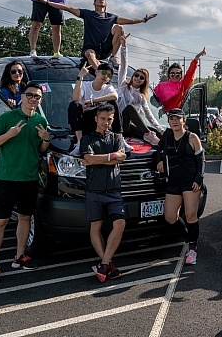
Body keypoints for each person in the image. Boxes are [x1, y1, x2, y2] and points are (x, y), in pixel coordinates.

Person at [0, 81, 50, 284]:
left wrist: (46, 139)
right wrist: (10, 134)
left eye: (37, 97)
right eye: (29, 95)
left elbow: (40, 150)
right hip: (7, 178)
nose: (33, 99)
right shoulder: (7, 118)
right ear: (22, 96)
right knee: (0, 222)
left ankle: (20, 256)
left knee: (25, 218)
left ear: (40, 100)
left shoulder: (40, 121)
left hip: (29, 179)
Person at [34, 0, 157, 70]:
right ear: (94, 3)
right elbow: (68, 8)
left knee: (119, 28)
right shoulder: (88, 14)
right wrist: (47, 2)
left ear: (106, 3)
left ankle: (114, 57)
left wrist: (144, 19)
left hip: (106, 49)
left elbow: (130, 20)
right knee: (90, 55)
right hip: (91, 49)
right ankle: (101, 73)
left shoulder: (111, 17)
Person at [78, 103, 127, 282]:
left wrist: (98, 160)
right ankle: (108, 264)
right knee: (96, 227)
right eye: (103, 119)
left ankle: (104, 264)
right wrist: (111, 157)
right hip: (94, 190)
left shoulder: (116, 138)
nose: (106, 122)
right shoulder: (87, 139)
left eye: (110, 119)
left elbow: (121, 157)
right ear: (96, 119)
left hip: (113, 190)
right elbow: (88, 158)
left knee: (120, 223)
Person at [157, 108, 205, 265]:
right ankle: (187, 234)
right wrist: (160, 160)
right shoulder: (167, 136)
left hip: (190, 181)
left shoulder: (192, 137)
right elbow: (159, 149)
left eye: (178, 118)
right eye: (172, 119)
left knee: (191, 215)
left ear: (184, 120)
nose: (175, 121)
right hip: (173, 181)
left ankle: (192, 248)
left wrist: (199, 179)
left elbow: (201, 159)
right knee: (170, 217)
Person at [115, 34, 163, 145]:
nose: (138, 78)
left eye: (142, 78)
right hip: (116, 123)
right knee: (130, 108)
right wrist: (123, 47)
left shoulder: (141, 96)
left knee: (156, 132)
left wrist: (160, 129)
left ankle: (157, 141)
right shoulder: (123, 85)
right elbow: (123, 67)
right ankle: (148, 134)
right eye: (136, 75)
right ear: (133, 76)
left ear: (144, 82)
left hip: (126, 127)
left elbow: (149, 114)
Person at [69, 62, 120, 155]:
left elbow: (115, 96)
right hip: (85, 121)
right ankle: (80, 142)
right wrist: (80, 76)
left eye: (109, 75)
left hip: (100, 122)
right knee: (74, 105)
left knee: (113, 103)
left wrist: (93, 101)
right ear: (96, 72)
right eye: (104, 72)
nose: (106, 76)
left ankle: (120, 138)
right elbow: (76, 99)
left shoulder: (108, 87)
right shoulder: (85, 85)